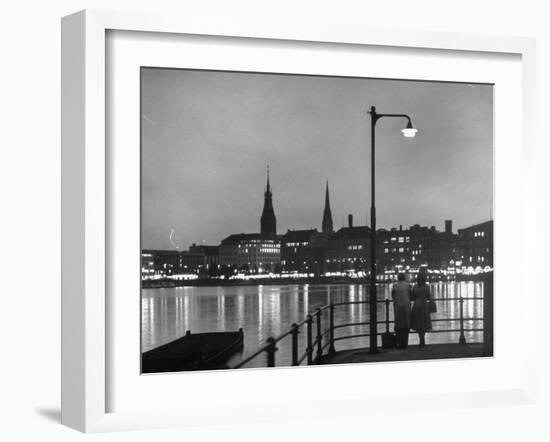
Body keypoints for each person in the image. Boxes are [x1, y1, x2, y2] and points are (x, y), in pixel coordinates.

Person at [411, 272, 432, 347]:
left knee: (418, 323)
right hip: (424, 305)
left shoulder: (415, 287)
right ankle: (423, 339)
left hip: (417, 305)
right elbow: (429, 297)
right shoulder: (426, 287)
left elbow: (412, 297)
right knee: (424, 322)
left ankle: (421, 339)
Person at [391, 273, 411, 348]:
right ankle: (405, 343)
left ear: (398, 278)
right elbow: (411, 295)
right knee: (406, 325)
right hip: (406, 306)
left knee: (398, 325)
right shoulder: (408, 285)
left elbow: (392, 295)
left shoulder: (395, 286)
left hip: (398, 306)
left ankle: (399, 342)